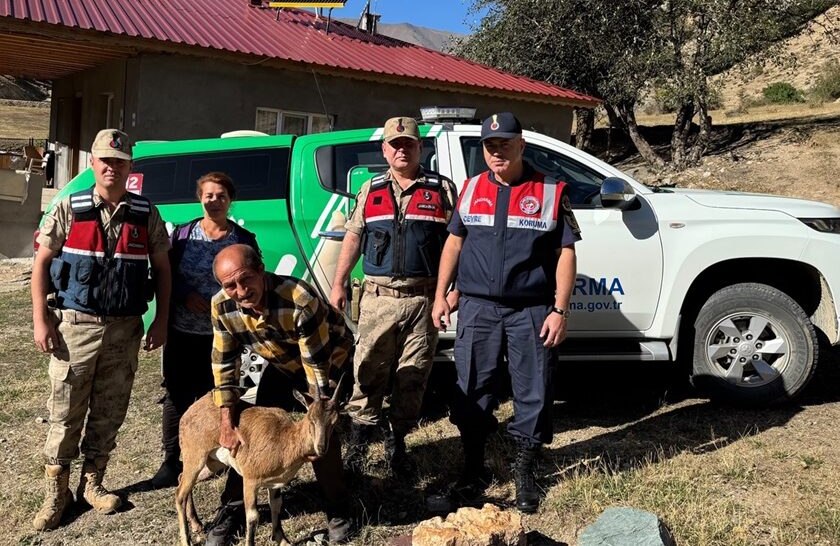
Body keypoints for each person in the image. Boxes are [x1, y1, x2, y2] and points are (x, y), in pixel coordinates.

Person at [431, 112, 580, 514]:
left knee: (534, 389)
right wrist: (441, 293)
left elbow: (566, 253)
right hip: (477, 307)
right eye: (490, 145)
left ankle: (525, 469)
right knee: (472, 386)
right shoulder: (471, 187)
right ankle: (474, 467)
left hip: (531, 309)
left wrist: (559, 310)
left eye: (505, 144)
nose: (497, 152)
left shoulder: (550, 190)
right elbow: (454, 244)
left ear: (521, 145)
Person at [30, 129, 172, 531]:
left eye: (120, 161)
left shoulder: (146, 214)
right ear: (92, 163)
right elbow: (41, 264)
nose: (112, 167)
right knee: (65, 413)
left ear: (130, 168)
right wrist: (42, 319)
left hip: (125, 330)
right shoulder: (70, 208)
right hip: (76, 328)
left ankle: (93, 483)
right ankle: (55, 495)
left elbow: (162, 270)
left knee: (110, 411)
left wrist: (159, 321)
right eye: (105, 160)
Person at [328, 116, 457, 475]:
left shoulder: (442, 189)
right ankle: (357, 443)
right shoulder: (370, 190)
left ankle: (397, 441)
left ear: (420, 148)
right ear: (384, 150)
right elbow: (353, 237)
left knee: (412, 375)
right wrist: (338, 283)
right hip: (378, 299)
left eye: (409, 144)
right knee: (368, 369)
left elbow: (457, 243)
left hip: (424, 300)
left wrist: (452, 290)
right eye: (395, 144)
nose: (402, 149)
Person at [206, 244, 355, 545]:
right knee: (250, 431)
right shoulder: (221, 306)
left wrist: (315, 432)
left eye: (246, 279)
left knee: (321, 435)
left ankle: (339, 508)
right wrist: (226, 419)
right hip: (281, 361)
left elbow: (316, 368)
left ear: (261, 271)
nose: (240, 290)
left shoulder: (299, 298)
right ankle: (233, 508)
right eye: (230, 285)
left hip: (328, 360)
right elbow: (224, 365)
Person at [151, 172, 260, 488]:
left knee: (221, 395)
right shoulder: (183, 236)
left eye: (221, 195)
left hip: (225, 335)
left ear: (230, 200)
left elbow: (253, 279)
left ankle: (217, 457)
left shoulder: (242, 238)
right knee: (176, 395)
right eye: (209, 195)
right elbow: (165, 273)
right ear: (200, 198)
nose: (215, 200)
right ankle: (173, 461)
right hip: (184, 332)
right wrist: (185, 294)